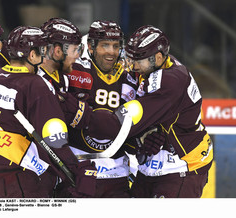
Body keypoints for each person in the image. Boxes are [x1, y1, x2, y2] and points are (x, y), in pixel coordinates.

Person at [72, 25, 213, 198]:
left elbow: (117, 125)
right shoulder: (156, 65)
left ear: (158, 57)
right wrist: (142, 138)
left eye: (138, 60)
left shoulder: (170, 82)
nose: (132, 65)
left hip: (182, 166)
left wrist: (73, 110)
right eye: (131, 57)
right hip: (150, 167)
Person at [0, 24, 97, 198]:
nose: (46, 55)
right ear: (32, 55)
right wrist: (76, 170)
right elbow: (54, 138)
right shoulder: (36, 85)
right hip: (18, 176)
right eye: (43, 51)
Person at [57, 20, 138, 197]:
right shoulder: (73, 69)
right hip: (77, 171)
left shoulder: (130, 75)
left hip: (117, 174)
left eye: (116, 46)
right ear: (91, 47)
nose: (111, 52)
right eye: (105, 45)